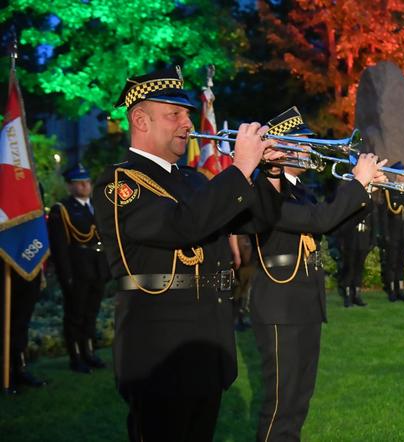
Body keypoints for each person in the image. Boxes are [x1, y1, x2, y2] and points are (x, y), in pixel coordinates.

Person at [92, 66, 283, 442]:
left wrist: (271, 170)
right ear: (139, 120)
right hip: (159, 353)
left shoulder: (195, 179)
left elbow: (257, 220)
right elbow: (182, 226)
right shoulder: (121, 182)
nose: (187, 122)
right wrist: (240, 167)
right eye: (174, 114)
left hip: (207, 343)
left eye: (187, 114)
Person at [249, 106, 385, 441]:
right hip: (280, 308)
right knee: (280, 406)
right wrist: (356, 182)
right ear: (278, 149)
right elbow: (318, 220)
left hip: (305, 304)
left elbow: (334, 225)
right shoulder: (264, 191)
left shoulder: (302, 190)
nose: (311, 149)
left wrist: (367, 191)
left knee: (298, 403)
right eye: (303, 143)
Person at [47, 163, 111, 373]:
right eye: (79, 182)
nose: (84, 186)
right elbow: (59, 247)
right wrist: (66, 276)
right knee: (75, 314)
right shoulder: (62, 209)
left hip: (97, 266)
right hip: (77, 268)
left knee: (91, 312)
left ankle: (89, 352)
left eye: (87, 182)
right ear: (69, 186)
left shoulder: (98, 205)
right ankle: (75, 356)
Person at [1, 268, 47, 393]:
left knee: (21, 325)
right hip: (6, 270)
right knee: (5, 324)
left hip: (29, 271)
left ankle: (20, 369)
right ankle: (6, 373)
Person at [381, 162, 404, 302]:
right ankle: (391, 288)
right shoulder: (389, 191)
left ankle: (400, 288)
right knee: (391, 261)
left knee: (401, 261)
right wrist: (386, 233)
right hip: (393, 232)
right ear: (396, 175)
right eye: (400, 174)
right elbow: (384, 215)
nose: (402, 177)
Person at [335, 189, 375, 307]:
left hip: (363, 240)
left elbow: (373, 223)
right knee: (349, 268)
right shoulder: (350, 204)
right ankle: (347, 295)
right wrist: (341, 242)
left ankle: (356, 294)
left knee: (359, 269)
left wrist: (372, 241)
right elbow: (342, 224)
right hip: (351, 241)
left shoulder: (370, 204)